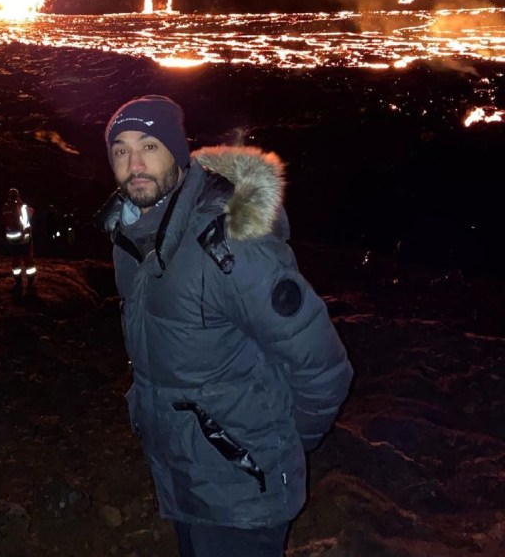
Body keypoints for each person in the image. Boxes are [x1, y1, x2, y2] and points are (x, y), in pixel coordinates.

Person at [97, 95, 353, 557]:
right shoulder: (130, 238)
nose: (135, 163)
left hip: (244, 494)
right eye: (121, 150)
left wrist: (279, 446)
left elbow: (324, 368)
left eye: (149, 146)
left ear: (176, 151)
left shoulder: (230, 245)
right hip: (183, 480)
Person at [1, 187, 36, 294]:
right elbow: (32, 212)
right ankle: (30, 282)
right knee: (28, 260)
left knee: (15, 261)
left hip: (12, 239)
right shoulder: (23, 207)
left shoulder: (5, 208)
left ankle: (18, 282)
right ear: (18, 195)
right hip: (24, 239)